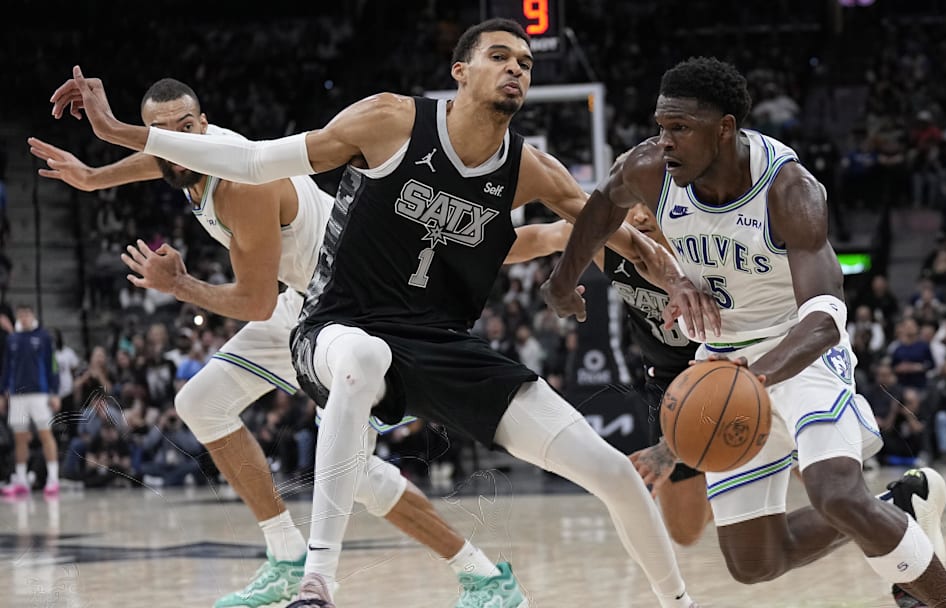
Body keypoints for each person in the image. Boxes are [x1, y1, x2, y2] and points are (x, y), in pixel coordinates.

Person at [56, 19, 711, 608]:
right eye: (500, 56)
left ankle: (657, 599)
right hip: (334, 317)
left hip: (422, 334)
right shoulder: (391, 120)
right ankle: (314, 580)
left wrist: (678, 278)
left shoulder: (527, 170)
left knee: (609, 472)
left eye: (525, 61)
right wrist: (104, 152)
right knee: (334, 375)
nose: (517, 67)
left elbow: (611, 238)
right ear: (460, 73)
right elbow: (238, 157)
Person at [37, 76, 535, 608]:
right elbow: (162, 159)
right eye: (162, 134)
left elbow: (253, 302)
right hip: (303, 304)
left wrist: (179, 286)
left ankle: (484, 576)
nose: (176, 142)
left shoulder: (239, 185)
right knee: (200, 403)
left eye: (185, 130)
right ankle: (285, 555)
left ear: (203, 127)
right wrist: (93, 178)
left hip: (356, 311)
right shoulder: (184, 156)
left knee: (355, 475)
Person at [541, 57, 946, 608]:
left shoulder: (790, 190)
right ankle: (899, 506)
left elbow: (824, 319)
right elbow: (603, 205)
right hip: (721, 357)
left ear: (725, 128)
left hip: (799, 348)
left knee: (835, 493)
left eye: (680, 129)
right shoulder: (649, 168)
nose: (664, 141)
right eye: (660, 126)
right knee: (754, 562)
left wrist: (756, 377)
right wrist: (563, 279)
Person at [506, 206, 712, 545]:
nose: (642, 216)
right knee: (684, 532)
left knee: (809, 476)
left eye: (651, 203)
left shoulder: (699, 245)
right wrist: (464, 248)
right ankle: (734, 480)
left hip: (720, 367)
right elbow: (540, 238)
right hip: (668, 384)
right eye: (633, 204)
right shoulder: (610, 242)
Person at [1, 304, 61, 497]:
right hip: (18, 396)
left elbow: (52, 365)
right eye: (21, 315)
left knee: (45, 434)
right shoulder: (12, 339)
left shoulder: (43, 337)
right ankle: (21, 480)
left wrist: (55, 392)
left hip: (40, 394)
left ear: (32, 315)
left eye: (27, 314)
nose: (24, 318)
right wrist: (2, 393)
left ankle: (53, 479)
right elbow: (6, 369)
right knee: (20, 438)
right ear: (18, 317)